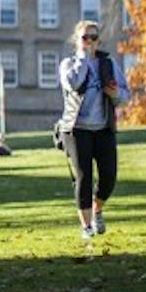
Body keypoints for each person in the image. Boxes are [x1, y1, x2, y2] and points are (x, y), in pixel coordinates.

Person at [58, 18, 130, 240]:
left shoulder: (109, 64)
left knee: (109, 178)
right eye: (84, 37)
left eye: (93, 37)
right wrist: (83, 59)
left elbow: (125, 97)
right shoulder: (68, 64)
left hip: (103, 128)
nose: (89, 41)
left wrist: (115, 94)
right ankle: (87, 227)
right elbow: (73, 84)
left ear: (98, 41)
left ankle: (97, 208)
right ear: (77, 40)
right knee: (83, 178)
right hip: (76, 129)